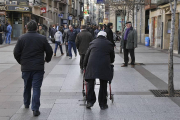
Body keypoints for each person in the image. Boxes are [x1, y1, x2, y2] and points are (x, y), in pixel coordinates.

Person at [13, 20, 53, 116]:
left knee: (27, 85)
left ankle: (26, 103)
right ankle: (35, 109)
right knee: (36, 87)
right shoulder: (42, 38)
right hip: (38, 67)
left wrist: (21, 62)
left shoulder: (22, 38)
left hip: (26, 67)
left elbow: (16, 52)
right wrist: (47, 59)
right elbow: (49, 51)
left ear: (27, 28)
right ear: (36, 28)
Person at [83, 31, 115, 110]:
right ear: (105, 36)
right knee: (103, 84)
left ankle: (90, 101)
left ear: (97, 36)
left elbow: (87, 56)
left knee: (90, 83)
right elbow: (112, 58)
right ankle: (103, 104)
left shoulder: (92, 43)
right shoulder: (109, 44)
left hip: (92, 65)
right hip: (104, 65)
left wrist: (84, 66)